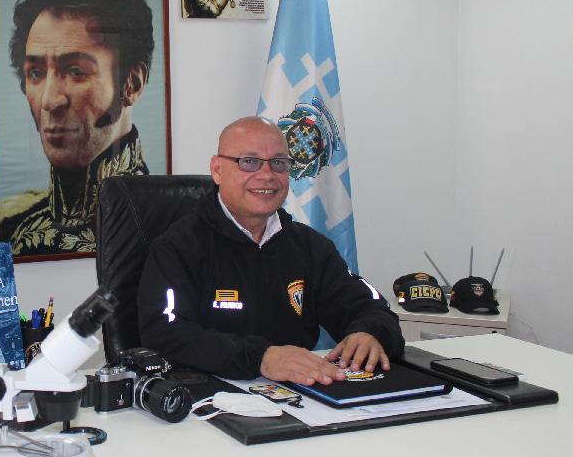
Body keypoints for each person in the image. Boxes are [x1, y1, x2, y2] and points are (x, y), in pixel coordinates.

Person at [137, 117, 404, 385]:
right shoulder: (178, 247)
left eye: (278, 163)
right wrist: (260, 358)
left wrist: (369, 333)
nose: (267, 175)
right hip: (208, 396)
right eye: (249, 162)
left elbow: (371, 307)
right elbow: (164, 333)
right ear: (217, 170)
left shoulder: (309, 246)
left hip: (301, 393)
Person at [0, 0, 154, 257]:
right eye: (36, 73)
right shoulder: (10, 225)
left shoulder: (168, 221)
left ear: (132, 84)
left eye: (75, 71)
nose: (49, 100)